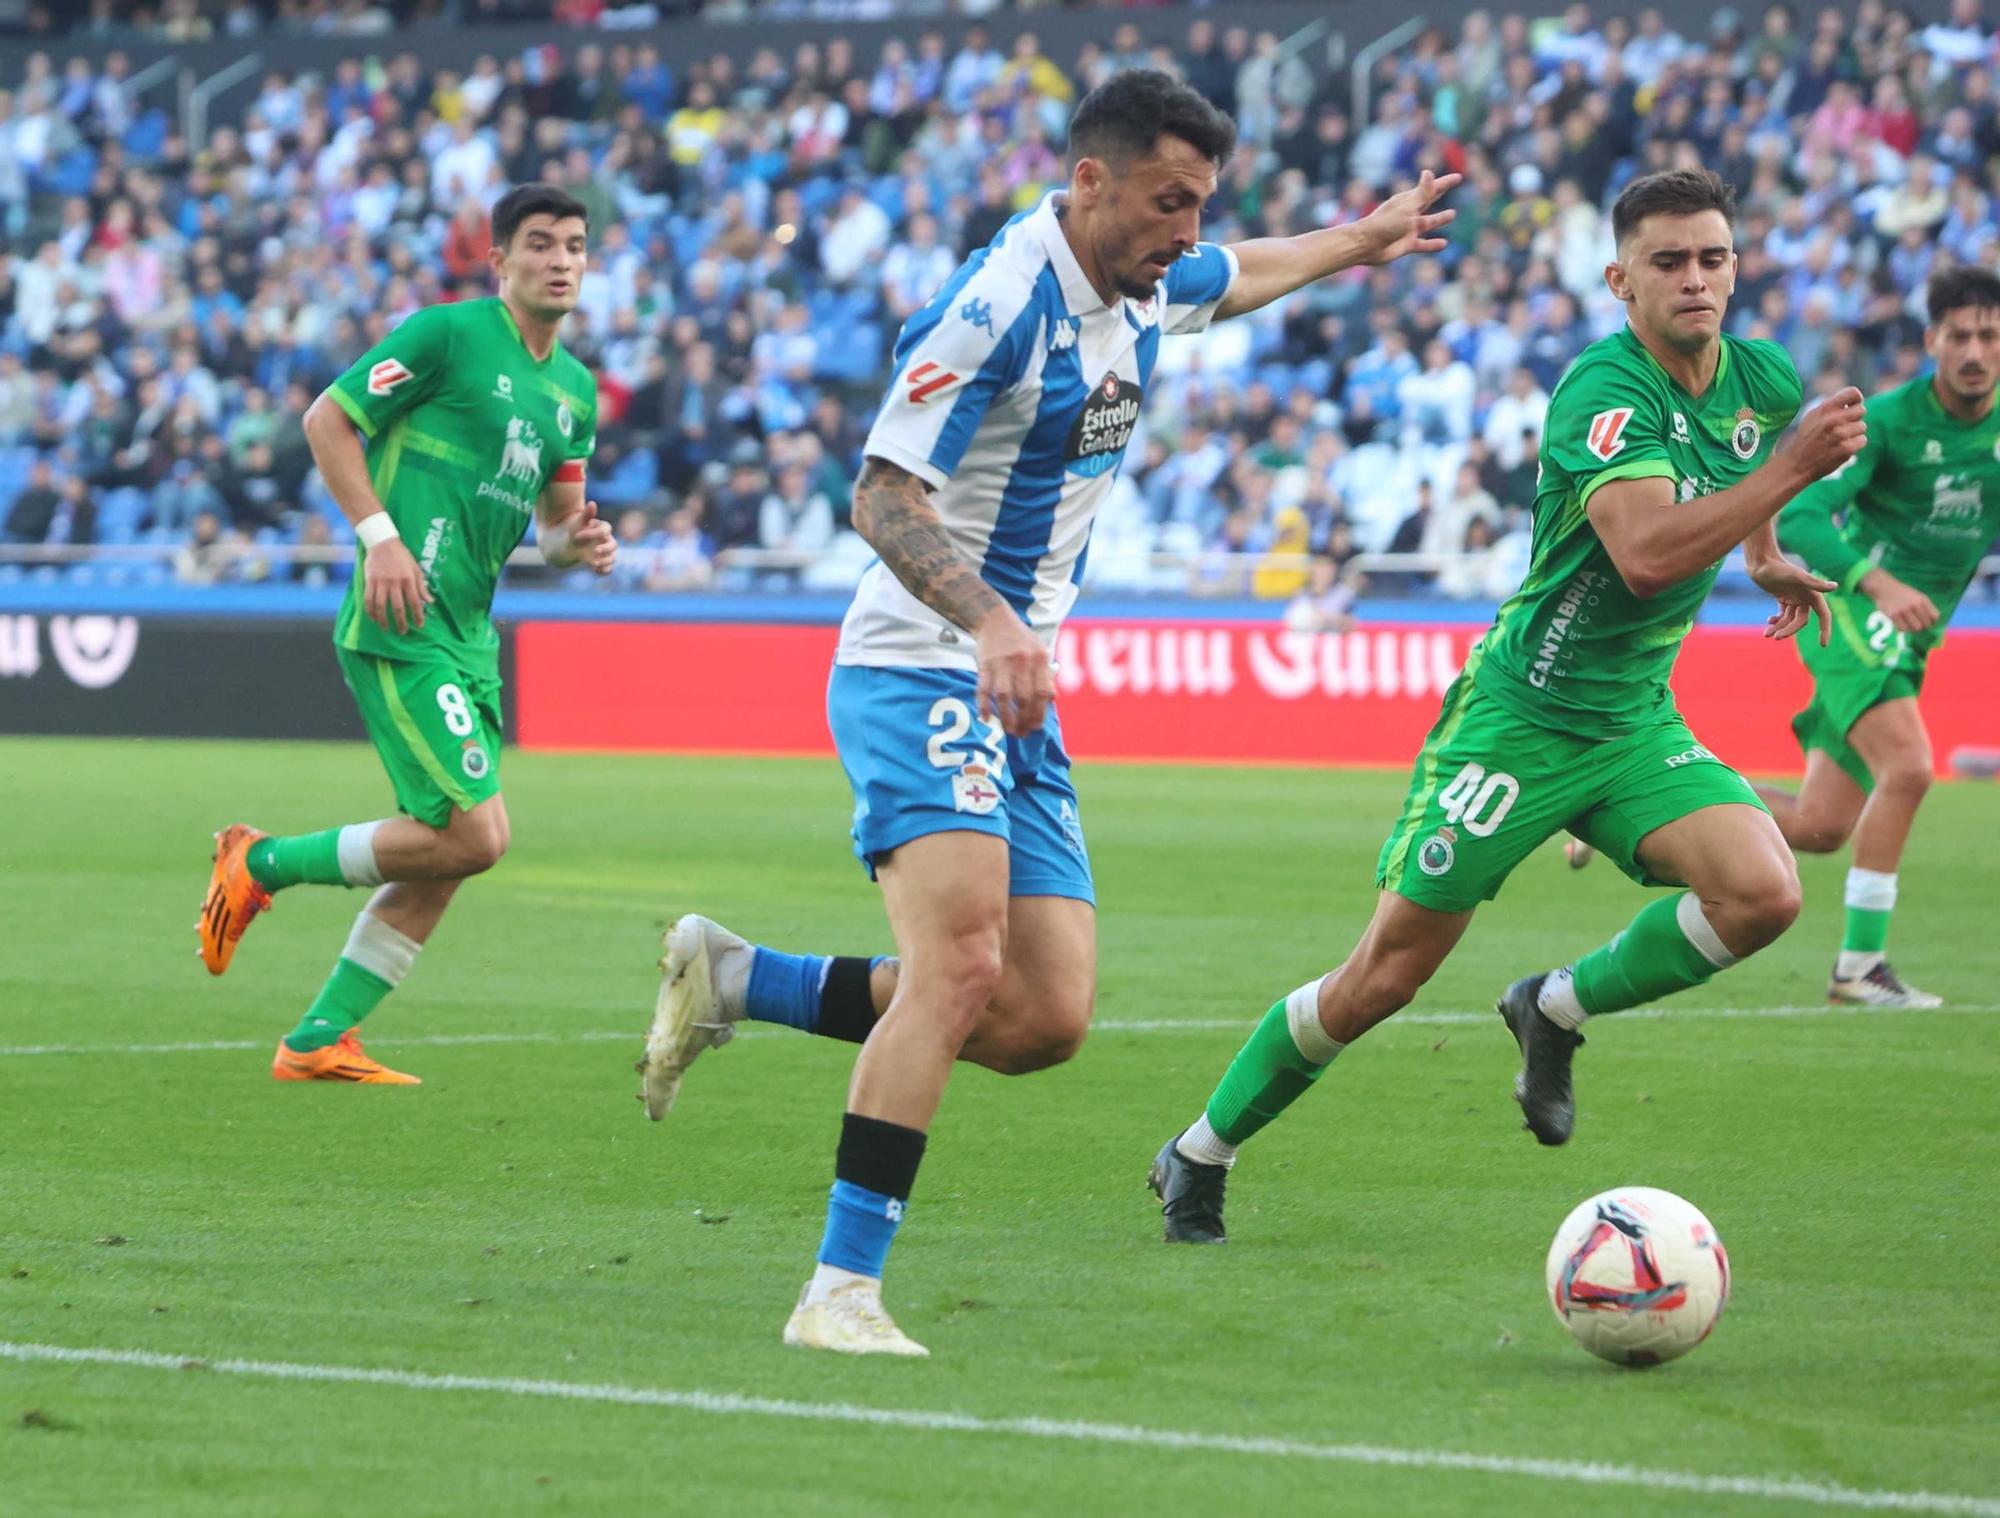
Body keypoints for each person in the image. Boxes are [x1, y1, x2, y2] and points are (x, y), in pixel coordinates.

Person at [633, 69, 1458, 1356]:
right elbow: (881, 496)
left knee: (1039, 1019)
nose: (1184, 231)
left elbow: (1237, 272)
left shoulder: (1137, 281)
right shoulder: (998, 304)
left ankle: (740, 978)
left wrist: (1365, 236)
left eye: (1197, 205)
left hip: (1013, 685)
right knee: (960, 966)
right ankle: (838, 1292)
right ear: (1088, 183)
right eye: (1165, 202)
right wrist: (995, 624)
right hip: (924, 662)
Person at [1147, 168, 1866, 1244]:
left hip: (1627, 723)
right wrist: (1789, 478)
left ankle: (1552, 1007)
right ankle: (1197, 1152)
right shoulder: (1600, 393)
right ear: (1618, 279)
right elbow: (1643, 558)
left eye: (1711, 257)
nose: (1694, 279)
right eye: (1667, 261)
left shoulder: (1758, 377)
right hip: (1518, 719)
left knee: (1763, 892)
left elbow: (1751, 460)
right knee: (1381, 977)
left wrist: (1765, 556)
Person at [196, 185, 613, 1085]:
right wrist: (378, 538)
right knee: (477, 835)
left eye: (574, 245)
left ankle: (317, 1039)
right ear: (499, 260)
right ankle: (260, 861)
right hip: (402, 618)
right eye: (539, 244)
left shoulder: (575, 393)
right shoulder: (447, 335)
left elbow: (552, 525)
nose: (560, 260)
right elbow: (327, 419)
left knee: (448, 852)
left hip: (469, 633)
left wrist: (577, 545)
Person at [1755, 267, 2000, 1007]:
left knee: (1821, 824)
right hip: (1854, 615)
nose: (1975, 351)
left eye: (1988, 335)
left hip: (1912, 639)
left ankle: (1645, 802)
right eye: (1959, 335)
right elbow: (1797, 517)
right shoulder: (1888, 422)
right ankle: (1859, 967)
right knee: (1913, 767)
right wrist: (1878, 582)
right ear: (1931, 342)